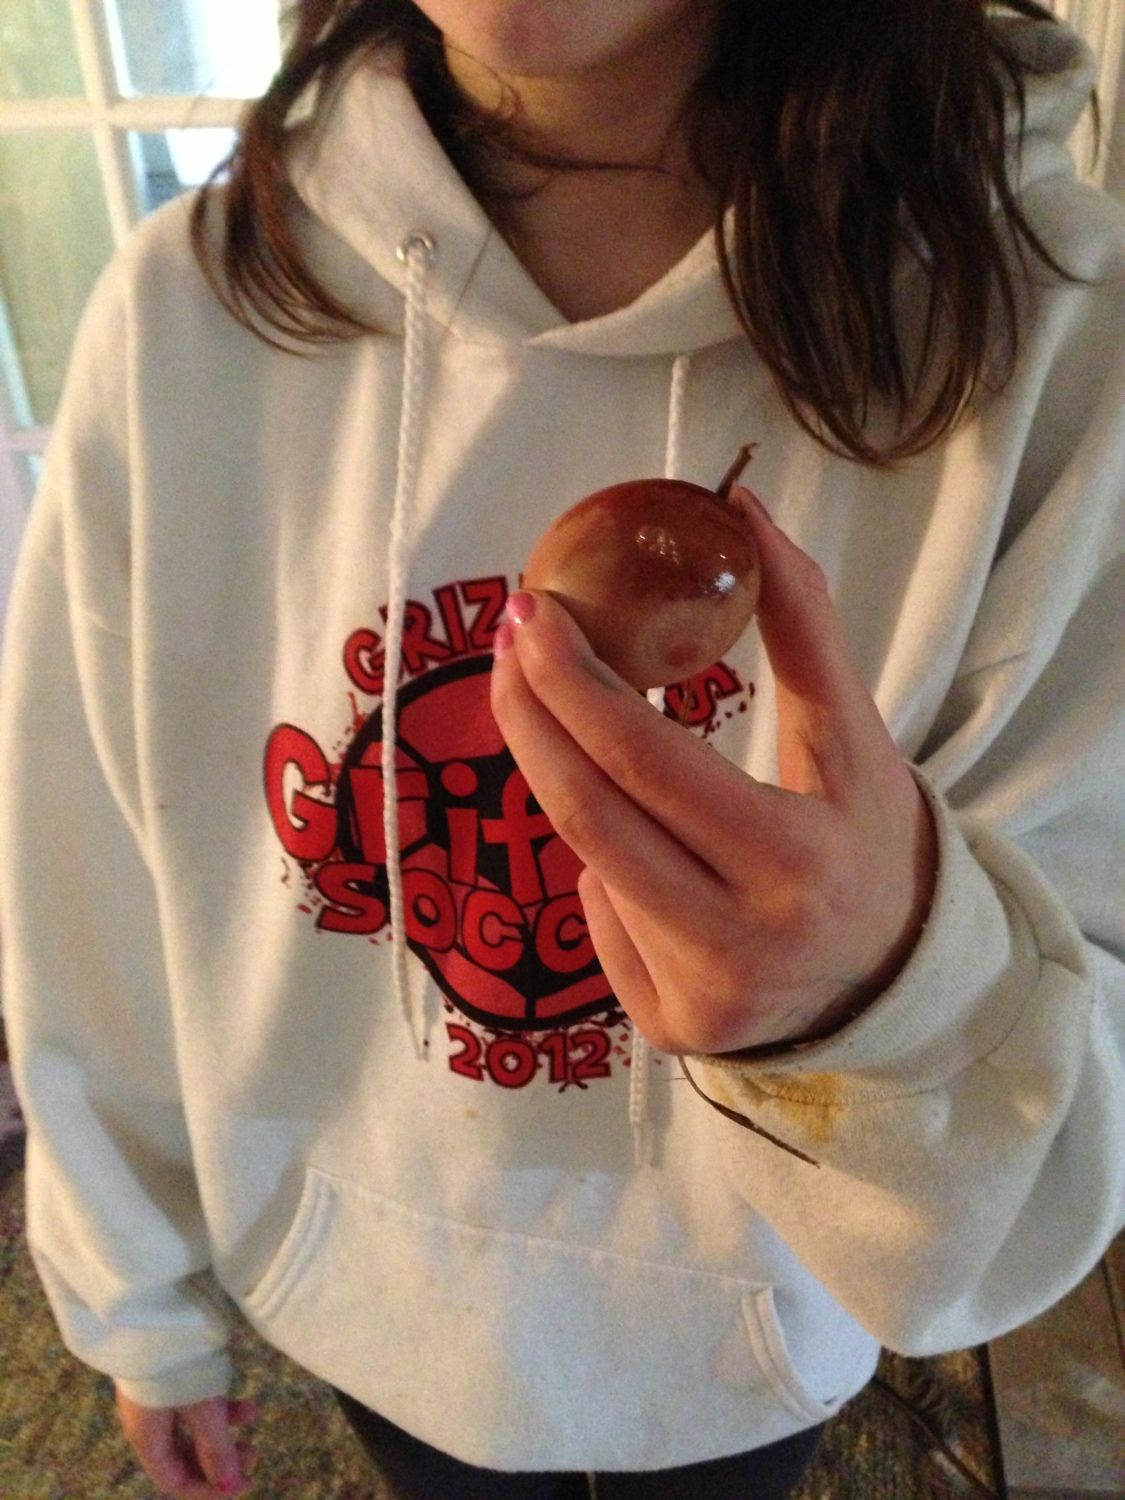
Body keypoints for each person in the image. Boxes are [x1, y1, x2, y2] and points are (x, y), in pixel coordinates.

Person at [1, 1, 1123, 1496]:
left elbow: (1073, 1091)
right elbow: (85, 868)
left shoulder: (1051, 330)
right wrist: (132, 1297)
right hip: (369, 1296)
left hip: (753, 1331)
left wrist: (892, 994)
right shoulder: (184, 314)